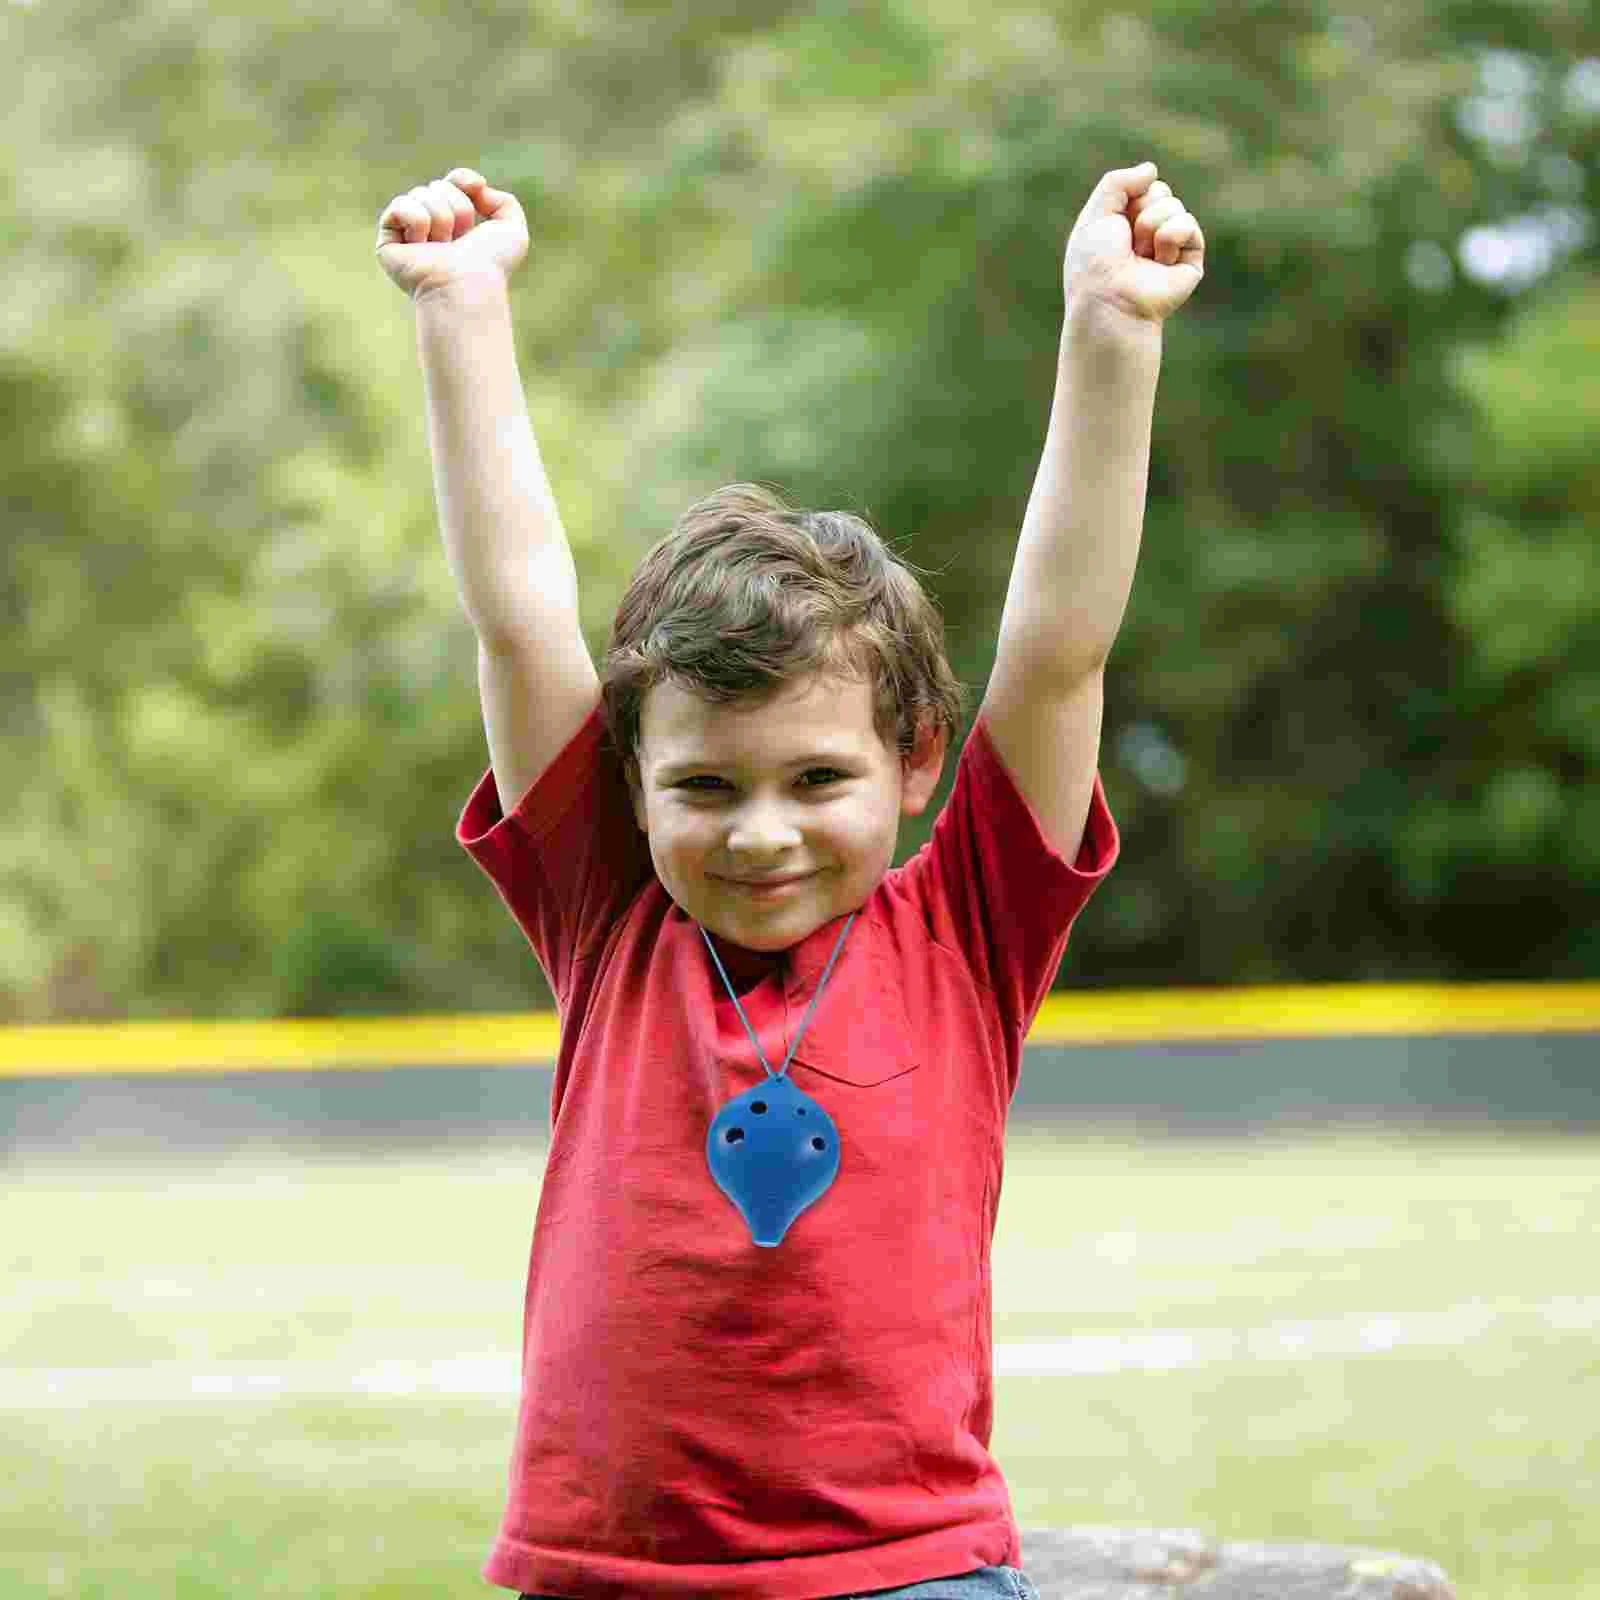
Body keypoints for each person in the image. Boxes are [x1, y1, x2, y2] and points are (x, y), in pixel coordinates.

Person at [376, 158, 1204, 1600]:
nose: (762, 834)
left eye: (819, 781)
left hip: (908, 1572)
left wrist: (1111, 329)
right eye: (704, 786)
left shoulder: (969, 926)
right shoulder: (610, 911)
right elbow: (518, 625)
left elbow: (1061, 642)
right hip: (607, 1572)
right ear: (631, 788)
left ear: (917, 763)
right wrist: (461, 312)